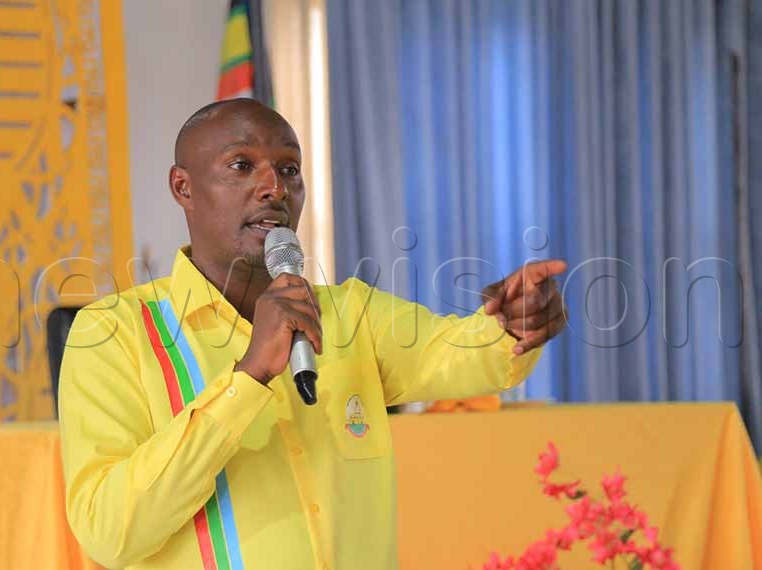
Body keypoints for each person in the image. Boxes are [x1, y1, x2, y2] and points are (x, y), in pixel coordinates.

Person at [59, 98, 568, 570]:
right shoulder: (112, 333)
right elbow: (108, 532)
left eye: (288, 170)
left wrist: (513, 324)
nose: (275, 188)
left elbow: (457, 355)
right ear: (183, 187)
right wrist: (249, 377)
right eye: (242, 165)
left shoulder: (348, 311)